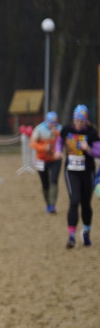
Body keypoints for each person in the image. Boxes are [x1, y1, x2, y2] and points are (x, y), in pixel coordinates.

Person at [58, 104, 100, 248]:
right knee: (74, 200)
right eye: (77, 120)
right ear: (73, 119)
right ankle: (71, 237)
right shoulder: (66, 130)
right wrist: (58, 151)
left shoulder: (92, 133)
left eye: (82, 121)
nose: (79, 124)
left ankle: (86, 233)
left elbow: (99, 152)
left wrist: (88, 149)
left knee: (86, 204)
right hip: (71, 171)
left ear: (86, 121)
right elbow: (59, 141)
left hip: (87, 172)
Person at [30, 111, 62, 214]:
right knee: (45, 184)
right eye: (50, 122)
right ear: (46, 121)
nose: (52, 125)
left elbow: (63, 141)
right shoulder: (39, 129)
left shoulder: (59, 129)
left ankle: (52, 205)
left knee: (54, 180)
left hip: (55, 159)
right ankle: (48, 204)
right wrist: (44, 147)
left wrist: (56, 134)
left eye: (54, 123)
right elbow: (32, 143)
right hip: (41, 160)